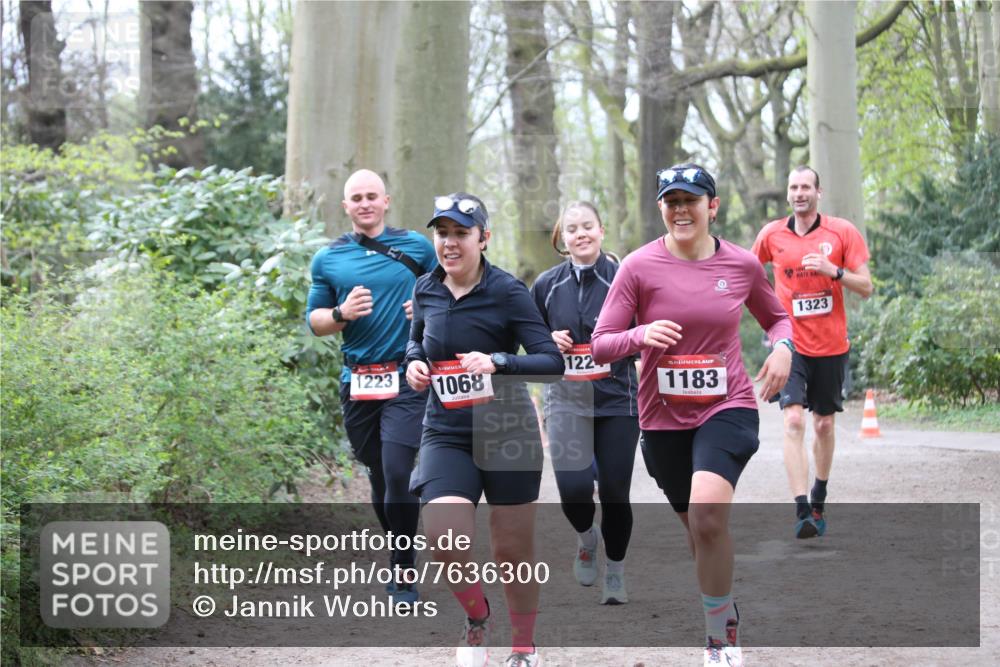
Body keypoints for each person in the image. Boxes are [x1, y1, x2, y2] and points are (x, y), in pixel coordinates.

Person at [591, 164, 793, 666]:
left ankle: (720, 636)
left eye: (691, 200)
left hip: (729, 406)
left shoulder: (743, 265)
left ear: (712, 206)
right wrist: (640, 335)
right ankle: (722, 605)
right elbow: (600, 345)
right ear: (661, 208)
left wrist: (784, 347)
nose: (681, 210)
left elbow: (777, 317)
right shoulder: (637, 267)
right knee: (698, 528)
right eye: (671, 202)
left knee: (706, 513)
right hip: (662, 419)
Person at [404, 193, 563, 667]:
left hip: (507, 427)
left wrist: (498, 361)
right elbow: (415, 343)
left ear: (483, 238)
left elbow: (551, 362)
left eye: (460, 233)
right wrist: (413, 364)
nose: (449, 243)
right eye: (442, 233)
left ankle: (523, 646)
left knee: (512, 549)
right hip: (446, 428)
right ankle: (477, 618)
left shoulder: (509, 292)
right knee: (443, 536)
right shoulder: (425, 288)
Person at [305, 169, 437, 603]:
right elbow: (315, 322)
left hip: (406, 374)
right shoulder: (328, 259)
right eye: (356, 198)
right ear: (346, 207)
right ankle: (401, 546)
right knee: (378, 471)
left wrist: (424, 311)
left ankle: (403, 572)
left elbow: (449, 291)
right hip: (357, 379)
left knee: (399, 470)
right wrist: (341, 313)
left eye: (371, 196)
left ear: (386, 201)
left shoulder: (417, 247)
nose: (364, 203)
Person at [751, 166, 873, 539]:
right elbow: (747, 277)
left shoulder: (841, 232)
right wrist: (770, 321)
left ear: (819, 192)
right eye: (793, 187)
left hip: (831, 345)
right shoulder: (771, 235)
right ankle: (802, 508)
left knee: (822, 424)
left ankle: (819, 495)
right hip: (790, 344)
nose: (799, 193)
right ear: (787, 194)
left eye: (806, 187)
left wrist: (833, 271)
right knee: (792, 422)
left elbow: (866, 286)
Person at [530, 201, 639, 605]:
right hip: (566, 398)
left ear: (602, 229)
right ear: (563, 238)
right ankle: (586, 538)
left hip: (617, 399)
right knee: (573, 488)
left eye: (588, 226)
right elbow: (529, 332)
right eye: (572, 228)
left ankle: (615, 568)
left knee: (614, 491)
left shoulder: (625, 277)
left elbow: (645, 330)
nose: (581, 234)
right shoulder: (546, 284)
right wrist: (547, 340)